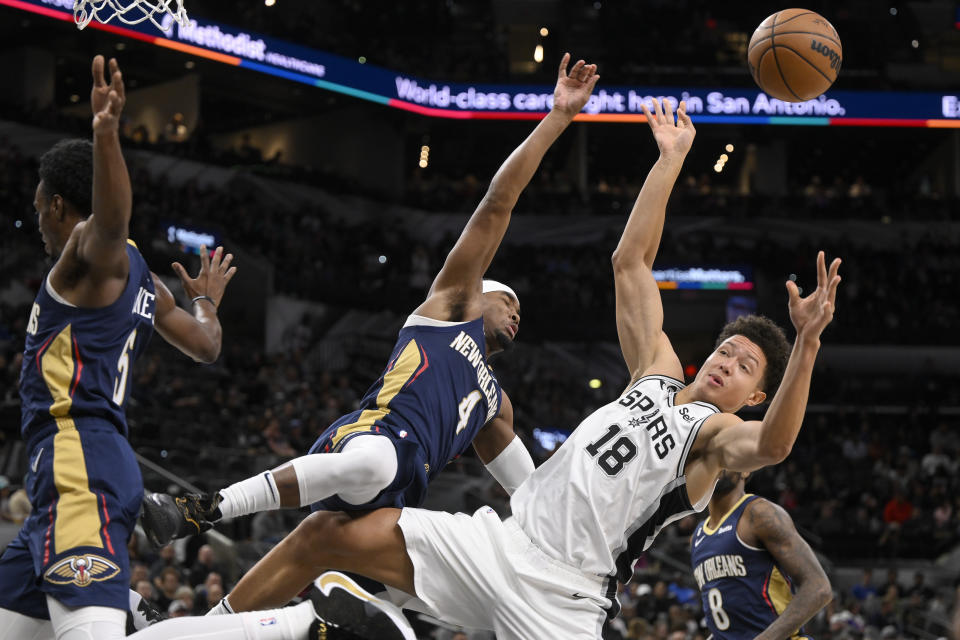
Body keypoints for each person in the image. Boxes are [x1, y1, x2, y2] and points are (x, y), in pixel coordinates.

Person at [125, 97, 841, 640]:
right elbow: (631, 262)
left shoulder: (713, 442)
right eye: (725, 349)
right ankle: (198, 629)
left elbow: (774, 447)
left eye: (745, 366)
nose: (727, 362)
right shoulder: (653, 368)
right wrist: (667, 164)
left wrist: (805, 343)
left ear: (755, 395)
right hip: (499, 541)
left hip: (566, 597)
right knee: (323, 535)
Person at [141, 54, 600, 560]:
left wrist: (579, 539)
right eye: (507, 300)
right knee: (375, 464)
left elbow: (531, 493)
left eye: (520, 311)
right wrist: (558, 117)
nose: (517, 313)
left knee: (388, 598)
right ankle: (200, 508)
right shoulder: (448, 309)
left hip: (403, 496)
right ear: (479, 293)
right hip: (374, 439)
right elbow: (498, 202)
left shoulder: (496, 402)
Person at [0, 55, 237, 640]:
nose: (37, 221)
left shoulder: (92, 252)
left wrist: (106, 133)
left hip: (80, 466)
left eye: (38, 208)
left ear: (58, 205)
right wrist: (205, 302)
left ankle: (288, 626)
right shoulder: (144, 280)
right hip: (64, 477)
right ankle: (130, 606)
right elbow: (206, 346)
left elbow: (109, 220)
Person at [691, 471, 832, 640]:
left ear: (745, 469)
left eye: (726, 457)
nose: (719, 465)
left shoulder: (758, 513)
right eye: (714, 458)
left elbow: (819, 588)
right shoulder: (697, 537)